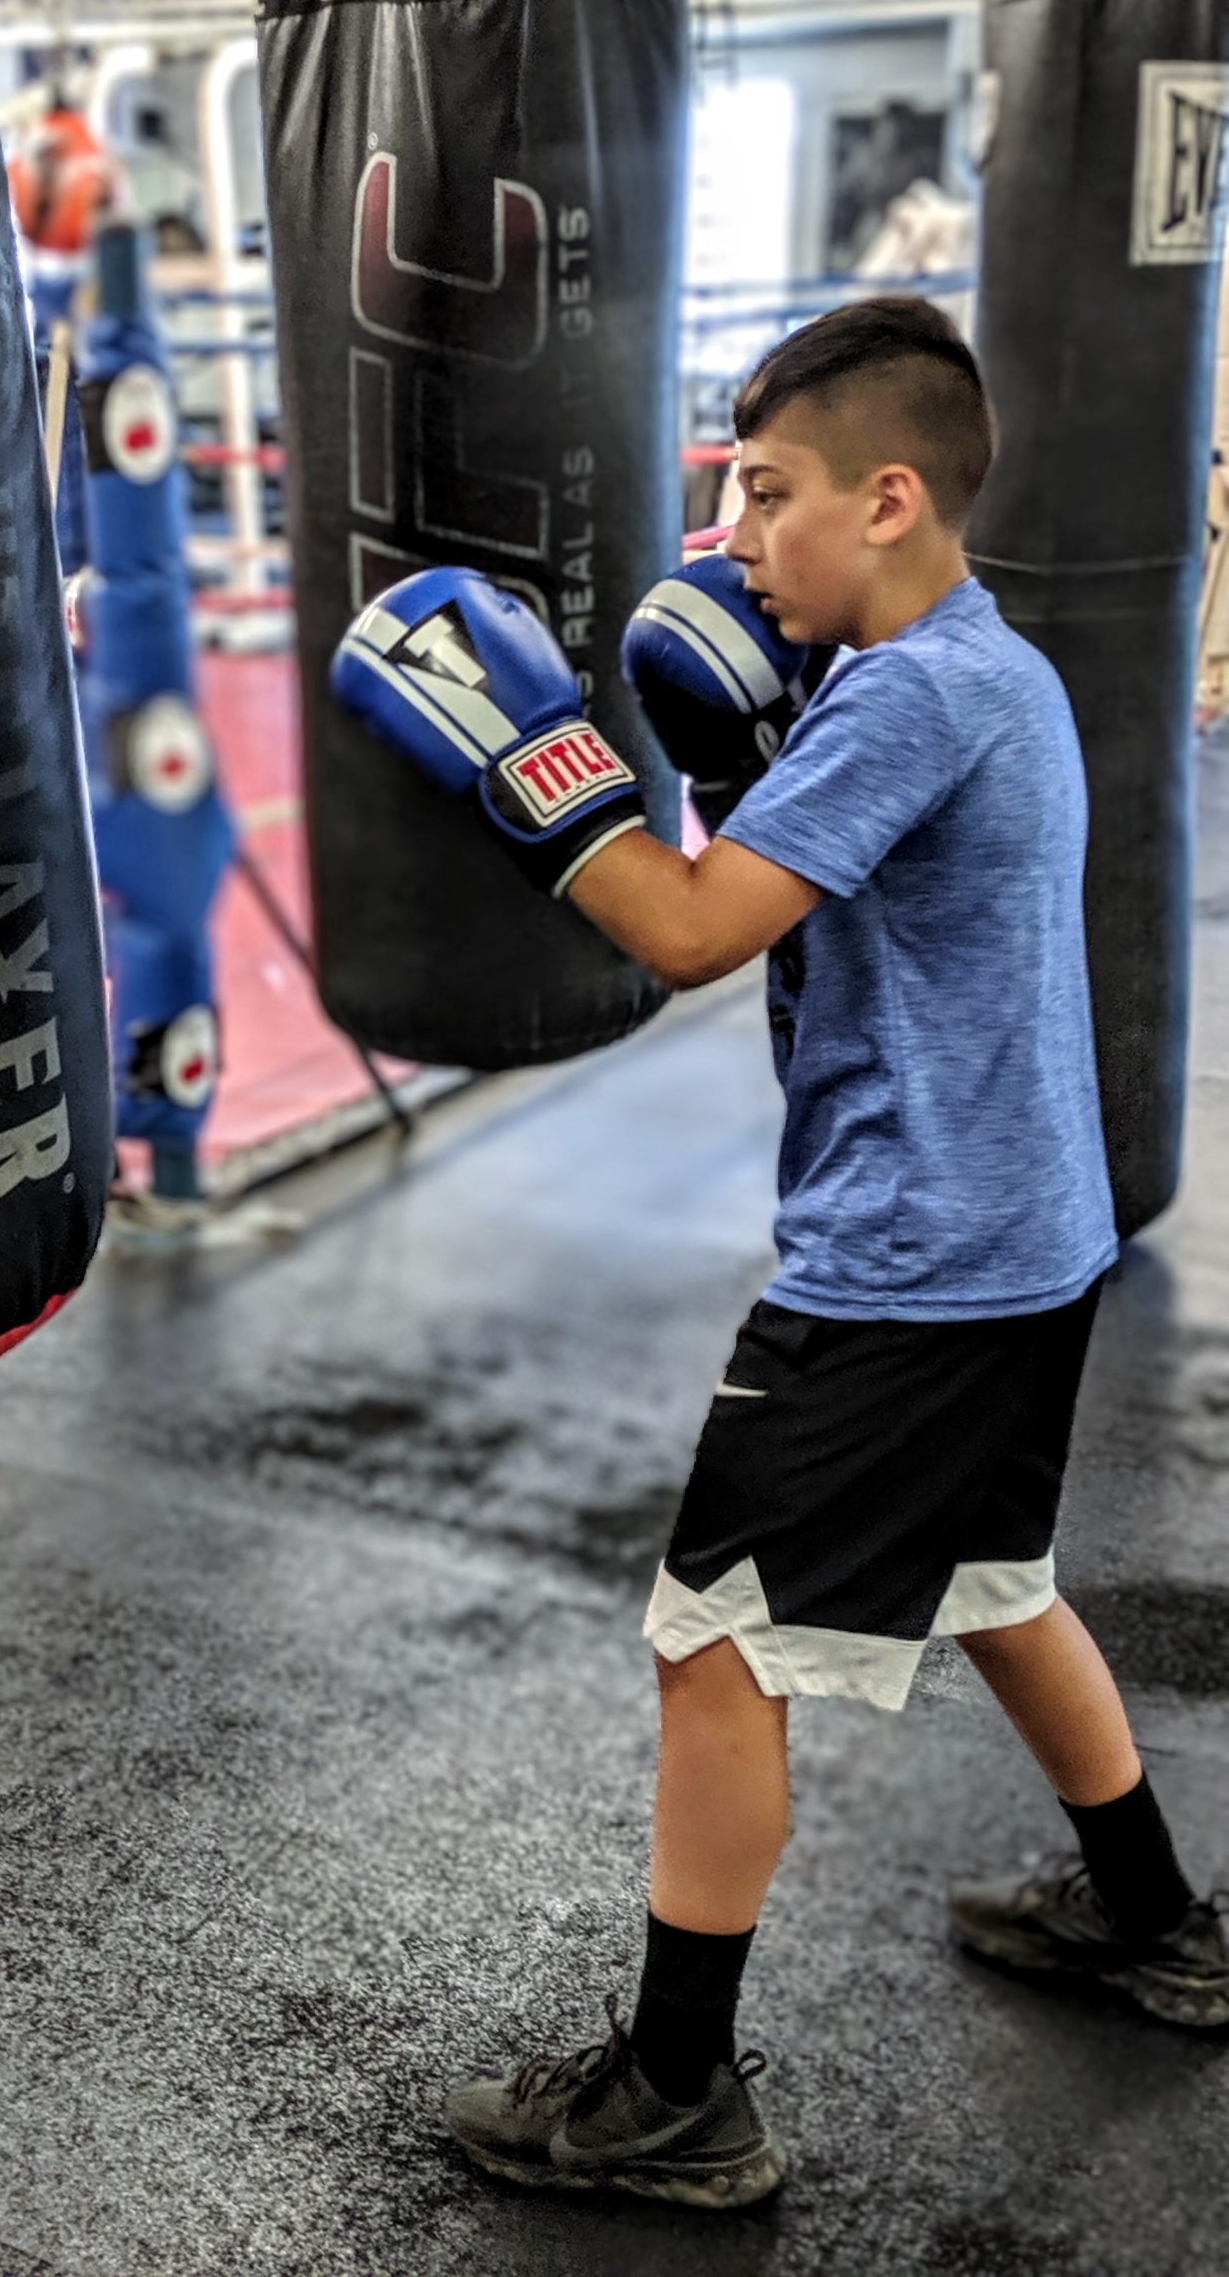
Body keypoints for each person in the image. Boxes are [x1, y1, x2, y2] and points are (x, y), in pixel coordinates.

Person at [331, 296, 1228, 2210]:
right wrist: (749, 757)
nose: (734, 537)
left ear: (888, 496)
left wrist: (531, 765)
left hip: (907, 1265)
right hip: (1028, 1236)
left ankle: (674, 2094)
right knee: (994, 1578)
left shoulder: (905, 700)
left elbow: (681, 930)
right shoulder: (996, 669)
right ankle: (1158, 1920)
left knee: (710, 1649)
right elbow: (848, 897)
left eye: (769, 493)